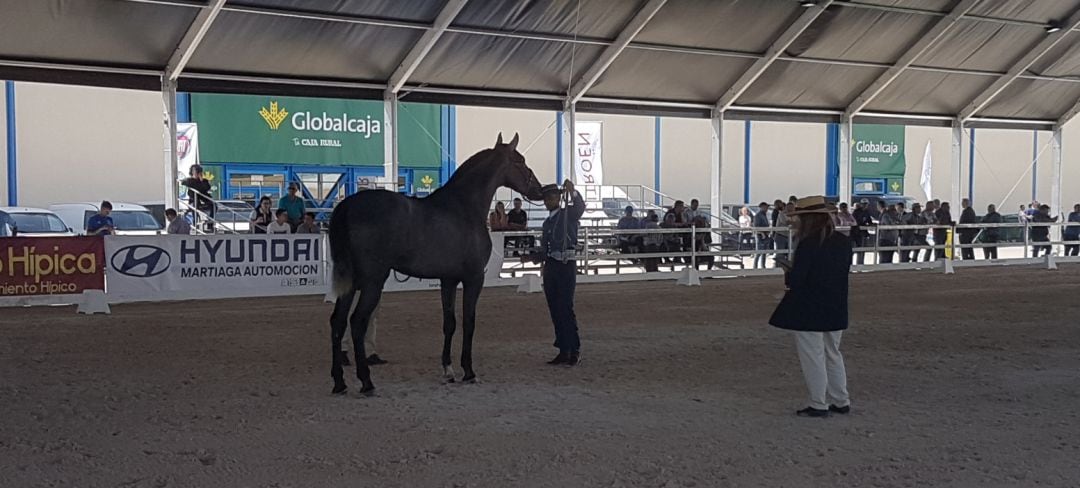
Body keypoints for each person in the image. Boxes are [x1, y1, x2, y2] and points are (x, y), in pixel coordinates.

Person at [769, 195, 852, 418]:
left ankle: (818, 402)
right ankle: (841, 399)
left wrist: (788, 271)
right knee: (833, 353)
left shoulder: (808, 243)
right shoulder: (843, 242)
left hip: (809, 307)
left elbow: (798, 280)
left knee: (813, 355)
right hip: (836, 304)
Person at [537, 179, 585, 366]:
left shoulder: (568, 214)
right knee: (555, 308)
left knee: (565, 307)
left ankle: (574, 348)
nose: (549, 201)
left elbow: (580, 207)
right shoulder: (547, 222)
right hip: (551, 265)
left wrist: (572, 192)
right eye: (546, 198)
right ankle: (564, 349)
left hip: (565, 265)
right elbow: (545, 248)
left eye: (552, 197)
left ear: (558, 198)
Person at [181, 164, 214, 233]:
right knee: (195, 206)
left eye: (198, 172)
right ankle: (194, 224)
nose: (197, 174)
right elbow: (183, 182)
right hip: (194, 199)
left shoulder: (204, 181)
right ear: (192, 172)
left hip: (203, 198)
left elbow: (206, 188)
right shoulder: (190, 180)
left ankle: (210, 224)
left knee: (213, 205)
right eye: (195, 172)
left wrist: (202, 180)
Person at [851, 199, 872, 265]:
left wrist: (872, 224)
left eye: (866, 204)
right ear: (861, 204)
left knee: (862, 250)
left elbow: (869, 221)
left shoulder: (867, 212)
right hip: (856, 234)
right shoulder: (856, 212)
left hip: (863, 233)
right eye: (864, 204)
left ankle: (860, 264)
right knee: (854, 250)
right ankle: (852, 265)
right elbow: (854, 222)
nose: (865, 205)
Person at [753, 202, 772, 269]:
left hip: (766, 235)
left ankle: (763, 265)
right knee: (759, 252)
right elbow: (756, 226)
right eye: (765, 207)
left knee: (764, 252)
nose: (767, 209)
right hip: (760, 235)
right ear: (761, 207)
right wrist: (761, 233)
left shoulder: (764, 215)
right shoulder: (758, 215)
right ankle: (755, 266)